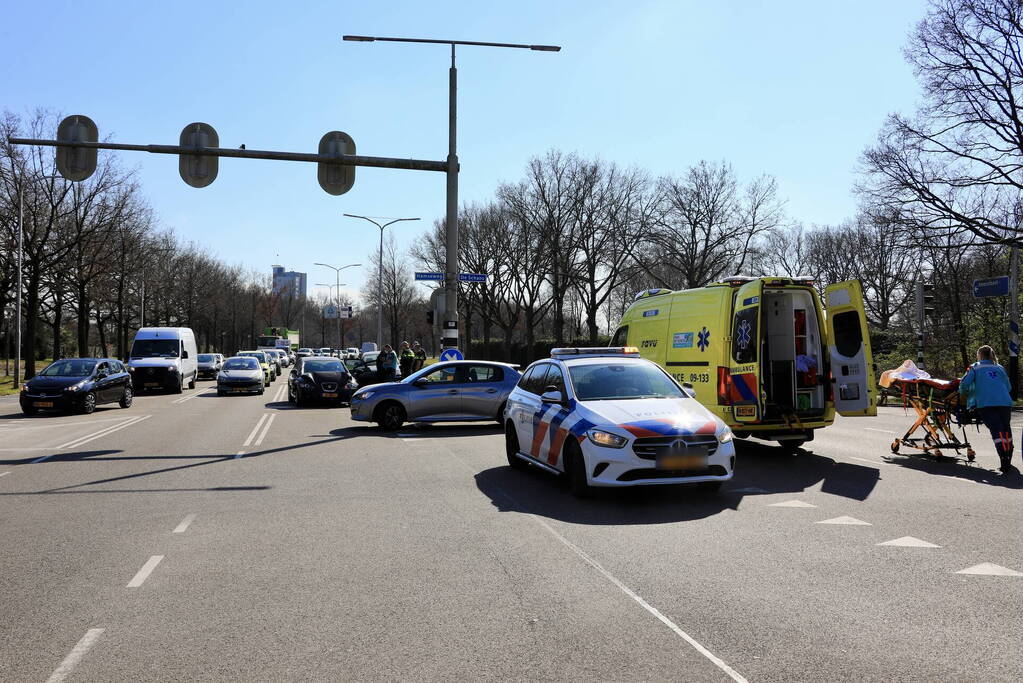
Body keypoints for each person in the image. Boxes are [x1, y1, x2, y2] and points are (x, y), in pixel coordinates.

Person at [959, 345, 1015, 473]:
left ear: (979, 355)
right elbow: (1008, 386)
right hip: (1004, 402)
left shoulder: (975, 367)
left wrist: (963, 393)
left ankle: (1004, 459)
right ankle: (1008, 457)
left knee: (997, 430)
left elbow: (964, 383)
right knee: (1006, 429)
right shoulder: (999, 367)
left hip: (986, 403)